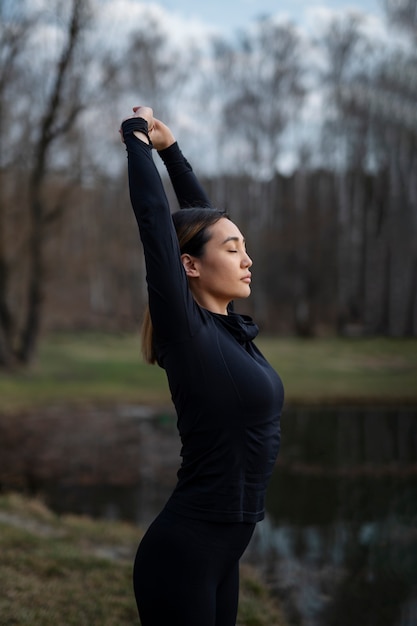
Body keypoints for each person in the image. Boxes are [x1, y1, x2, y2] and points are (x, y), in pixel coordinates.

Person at [120, 105, 284, 626]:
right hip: (183, 555)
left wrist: (173, 152)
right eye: (234, 250)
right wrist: (138, 140)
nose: (246, 259)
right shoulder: (187, 334)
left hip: (222, 554)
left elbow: (202, 224)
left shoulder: (227, 330)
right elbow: (157, 224)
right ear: (189, 266)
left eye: (245, 249)